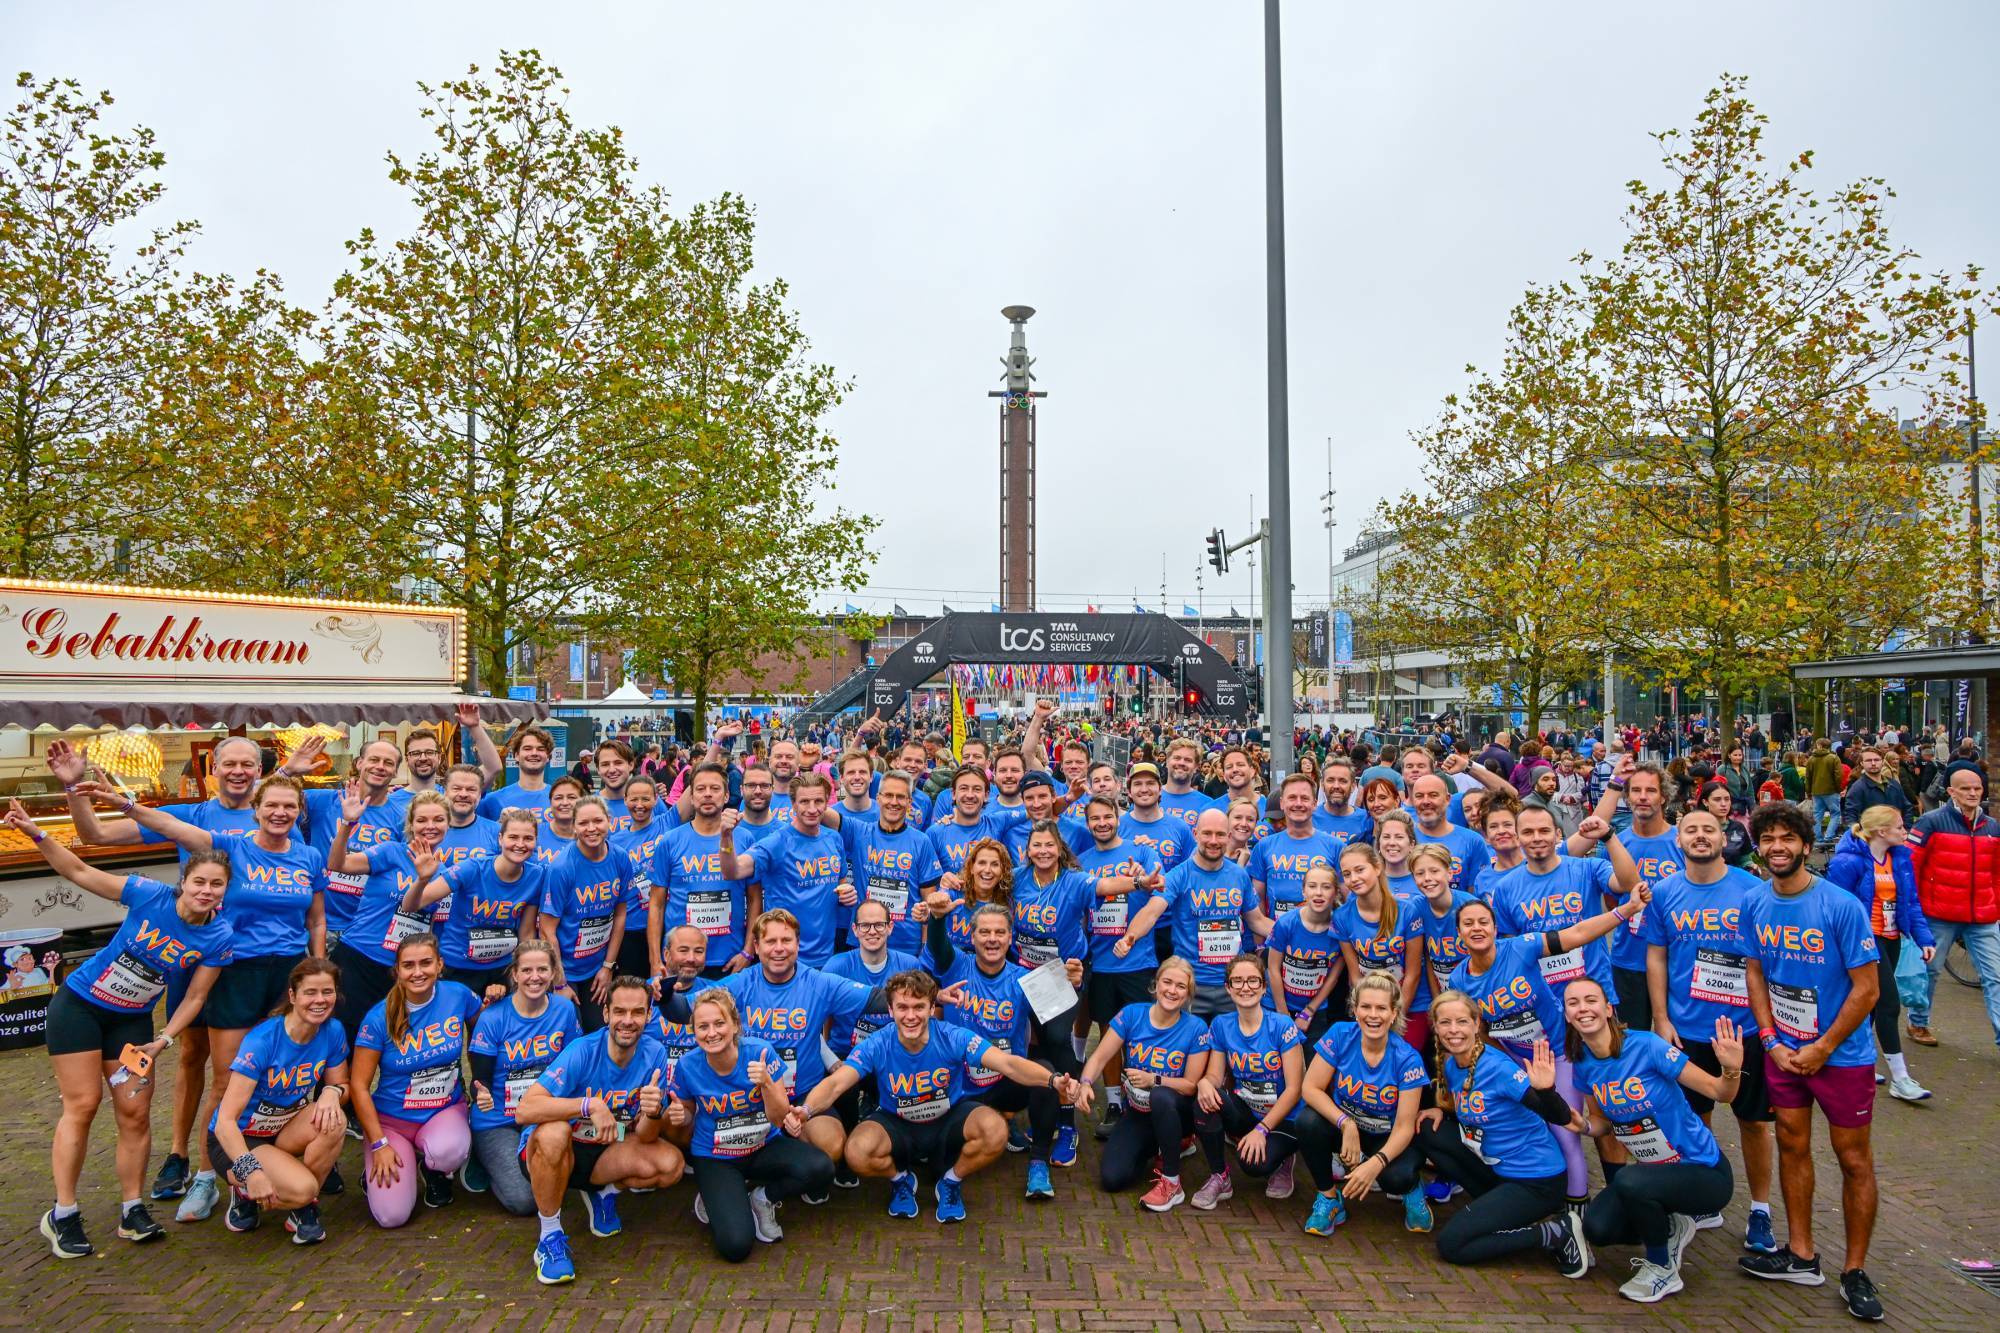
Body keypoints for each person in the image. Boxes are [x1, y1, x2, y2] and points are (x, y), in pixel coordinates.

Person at [49, 734, 317, 1206]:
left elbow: (308, 896)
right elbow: (96, 837)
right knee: (193, 1055)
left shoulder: (283, 825)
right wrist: (75, 790)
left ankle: (251, 1156)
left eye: (248, 764)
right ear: (213, 769)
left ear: (260, 772)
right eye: (229, 763)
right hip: (196, 958)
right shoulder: (193, 816)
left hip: (259, 964)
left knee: (258, 1064)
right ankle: (181, 1155)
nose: (238, 771)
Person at [8, 802, 233, 1257]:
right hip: (80, 1008)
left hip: (131, 1022)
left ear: (225, 891)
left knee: (134, 1112)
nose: (206, 891)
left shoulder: (219, 936)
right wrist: (38, 834)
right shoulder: (148, 894)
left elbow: (195, 997)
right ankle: (63, 1213)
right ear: (184, 882)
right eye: (199, 882)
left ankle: (132, 1209)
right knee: (83, 1104)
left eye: (216, 885)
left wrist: (165, 1037)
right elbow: (79, 871)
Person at [1738, 803, 1886, 1321]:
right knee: (1791, 1144)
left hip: (1841, 1057)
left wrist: (1823, 1047)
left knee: (1853, 1158)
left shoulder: (1840, 906)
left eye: (1787, 838)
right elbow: (1755, 972)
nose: (1777, 847)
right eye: (1768, 839)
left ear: (1806, 845)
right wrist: (1770, 1039)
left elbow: (1867, 990)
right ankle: (1801, 1255)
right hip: (1784, 1052)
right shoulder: (1755, 902)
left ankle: (1855, 1270)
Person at [790, 969, 1074, 1224]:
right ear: (890, 1010)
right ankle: (900, 1180)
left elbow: (1008, 1064)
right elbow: (837, 1083)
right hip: (897, 1123)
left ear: (931, 1008)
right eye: (902, 1007)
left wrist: (1052, 1081)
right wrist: (807, 1110)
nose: (910, 1016)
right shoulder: (877, 1043)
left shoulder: (953, 1036)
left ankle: (950, 1182)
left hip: (947, 1120)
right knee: (856, 1151)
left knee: (995, 1130)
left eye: (918, 1007)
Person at [1447, 885, 1651, 1208]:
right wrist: (1505, 1064)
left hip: (1559, 1055)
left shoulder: (1521, 948)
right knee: (1533, 1130)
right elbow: (1479, 1030)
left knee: (1565, 1130)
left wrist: (1625, 910)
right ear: (1459, 934)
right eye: (1468, 924)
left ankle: (1577, 1209)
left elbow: (1577, 933)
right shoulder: (1459, 979)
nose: (1477, 929)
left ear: (1495, 928)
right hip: (1518, 1061)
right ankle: (1538, 1198)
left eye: (1483, 922)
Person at [1638, 804, 1777, 1252]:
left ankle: (1760, 1210)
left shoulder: (1752, 890)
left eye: (1709, 830)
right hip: (1687, 1029)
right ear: (1678, 840)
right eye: (1691, 830)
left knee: (1753, 1123)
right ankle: (1706, 1197)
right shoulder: (1664, 892)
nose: (1700, 836)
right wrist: (1661, 1018)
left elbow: (1767, 960)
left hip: (1744, 1030)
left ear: (1724, 838)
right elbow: (1656, 956)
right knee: (1696, 1120)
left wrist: (1769, 1023)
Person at [1566, 978, 1740, 1304]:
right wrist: (1584, 1126)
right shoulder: (1584, 1063)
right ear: (1566, 1015)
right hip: (1655, 1176)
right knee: (1598, 1228)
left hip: (1704, 1172)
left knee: (1629, 1179)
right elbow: (1603, 1123)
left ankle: (1662, 1268)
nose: (1583, 1008)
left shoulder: (1647, 1046)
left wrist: (1731, 1070)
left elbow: (1719, 1092)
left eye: (1590, 1000)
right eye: (1573, 1003)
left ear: (1608, 1009)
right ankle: (1671, 1225)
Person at [515, 975, 685, 1284]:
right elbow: (525, 1109)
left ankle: (602, 1192)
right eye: (619, 1011)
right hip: (555, 1151)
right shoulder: (582, 1050)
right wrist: (588, 1105)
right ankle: (549, 1238)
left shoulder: (656, 1053)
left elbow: (645, 1136)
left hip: (606, 1146)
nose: (628, 1020)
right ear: (606, 1014)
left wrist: (653, 1112)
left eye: (637, 1012)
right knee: (554, 1133)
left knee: (670, 1164)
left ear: (649, 1015)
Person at [1416, 992, 1590, 1278]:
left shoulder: (1499, 1069)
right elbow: (1470, 1108)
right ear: (1435, 1027)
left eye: (1462, 1021)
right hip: (1497, 1170)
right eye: (1445, 1022)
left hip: (1536, 1182)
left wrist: (1546, 1090)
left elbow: (1558, 1116)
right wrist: (1441, 1111)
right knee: (1426, 1130)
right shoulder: (1451, 1065)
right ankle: (1497, 1209)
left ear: (1476, 1024)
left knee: (1452, 1244)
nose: (1453, 1030)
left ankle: (1555, 1232)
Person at [924, 900, 1070, 1196]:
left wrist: (1072, 985)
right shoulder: (957, 965)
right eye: (985, 932)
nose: (992, 939)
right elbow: (938, 945)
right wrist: (937, 919)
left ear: (1010, 937)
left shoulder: (1024, 978)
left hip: (1006, 1081)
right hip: (958, 1085)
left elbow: (1059, 1028)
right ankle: (983, 1126)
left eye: (1000, 932)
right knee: (935, 1167)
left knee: (1046, 1075)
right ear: (972, 936)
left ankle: (1038, 1163)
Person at [665, 987, 819, 1262]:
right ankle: (716, 1197)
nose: (712, 1033)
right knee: (735, 1247)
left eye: (719, 1023)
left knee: (820, 1168)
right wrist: (681, 1115)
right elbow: (686, 1113)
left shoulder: (760, 1053)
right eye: (703, 1027)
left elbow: (779, 1118)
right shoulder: (687, 1065)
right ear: (694, 1031)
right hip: (716, 1156)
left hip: (763, 1146)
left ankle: (762, 1198)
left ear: (735, 1025)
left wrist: (766, 1083)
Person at [204, 958, 349, 1246]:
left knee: (335, 1121)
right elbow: (225, 1122)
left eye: (327, 992)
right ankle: (250, 1190)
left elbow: (342, 1084)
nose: (320, 1000)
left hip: (282, 1128)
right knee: (303, 1188)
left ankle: (301, 1208)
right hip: (239, 1140)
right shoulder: (262, 1041)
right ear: (293, 996)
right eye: (310, 992)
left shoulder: (332, 1030)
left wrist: (332, 1092)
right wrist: (251, 1171)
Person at [1294, 971, 1430, 1236]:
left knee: (1397, 1179)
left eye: (1381, 1008)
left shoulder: (1407, 1058)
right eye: (1366, 1007)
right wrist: (1346, 1123)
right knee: (1307, 1122)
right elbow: (1310, 1089)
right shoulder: (1340, 1034)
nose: (1373, 1015)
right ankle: (1329, 1199)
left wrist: (1376, 1163)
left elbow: (1404, 1127)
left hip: (1387, 1135)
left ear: (1394, 1014)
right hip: (1347, 1129)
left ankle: (1413, 1190)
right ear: (1355, 1010)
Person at [1075, 956, 1214, 1212]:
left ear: (1188, 993)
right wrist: (1085, 1083)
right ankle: (1159, 1145)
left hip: (1177, 1111)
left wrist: (1154, 1080)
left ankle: (1172, 1181)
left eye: (1181, 986)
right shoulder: (1132, 1014)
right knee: (1113, 1178)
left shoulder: (1196, 1028)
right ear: (1155, 984)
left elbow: (1190, 1086)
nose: (1172, 990)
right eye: (1167, 982)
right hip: (1139, 1114)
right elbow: (1100, 1057)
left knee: (1160, 1095)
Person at [1822, 805, 1936, 1101]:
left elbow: (1911, 902)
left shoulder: (1900, 858)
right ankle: (1901, 1078)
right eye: (1899, 827)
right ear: (1882, 831)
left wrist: (1924, 938)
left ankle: (1859, 1063)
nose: (1905, 831)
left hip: (1892, 937)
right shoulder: (1848, 862)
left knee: (1869, 1005)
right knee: (1888, 1003)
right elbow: (1833, 906)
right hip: (1865, 942)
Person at [464, 941, 582, 1214]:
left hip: (545, 1114)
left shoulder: (564, 1010)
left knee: (563, 1178)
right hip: (499, 1121)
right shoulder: (493, 1017)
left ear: (553, 973)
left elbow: (574, 1068)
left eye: (542, 969)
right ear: (515, 974)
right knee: (524, 1201)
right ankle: (481, 1157)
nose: (535, 977)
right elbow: (479, 1080)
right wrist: (480, 1093)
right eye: (527, 970)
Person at [327, 784, 448, 1040]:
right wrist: (348, 824)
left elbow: (433, 925)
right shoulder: (391, 851)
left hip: (404, 971)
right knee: (344, 1039)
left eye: (439, 819)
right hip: (359, 958)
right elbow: (337, 864)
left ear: (448, 824)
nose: (430, 826)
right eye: (422, 820)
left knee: (391, 1042)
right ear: (410, 824)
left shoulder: (446, 873)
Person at [1190, 955, 1306, 1208]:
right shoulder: (1221, 1025)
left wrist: (1262, 1130)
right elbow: (1214, 1075)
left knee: (1254, 1166)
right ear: (1228, 988)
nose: (1245, 987)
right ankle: (1219, 1176)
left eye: (1253, 980)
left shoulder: (1282, 1025)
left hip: (1285, 1117)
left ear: (1264, 987)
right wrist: (1204, 1083)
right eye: (1238, 981)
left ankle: (1284, 1159)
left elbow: (1295, 1089)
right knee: (1205, 1100)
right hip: (1248, 1110)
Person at [823, 899, 922, 1186]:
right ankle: (846, 1154)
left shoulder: (909, 965)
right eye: (865, 925)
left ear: (890, 927)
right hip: (847, 1054)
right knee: (843, 1087)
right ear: (854, 930)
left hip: (894, 1055)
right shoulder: (837, 965)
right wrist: (831, 1061)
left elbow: (922, 1016)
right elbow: (816, 1019)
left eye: (879, 924)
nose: (872, 931)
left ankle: (898, 1149)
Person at [1904, 767, 2000, 1051]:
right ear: (1951, 792)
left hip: (1982, 916)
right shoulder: (1931, 822)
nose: (1973, 793)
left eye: (1977, 788)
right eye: (1966, 788)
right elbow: (1910, 866)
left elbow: (1996, 872)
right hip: (1939, 914)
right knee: (1930, 971)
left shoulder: (1992, 827)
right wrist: (1913, 909)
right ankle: (1918, 1022)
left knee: (1995, 976)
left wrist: (1996, 904)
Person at [406, 806, 544, 993]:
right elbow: (411, 905)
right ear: (500, 839)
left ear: (536, 841)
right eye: (513, 837)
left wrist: (523, 972)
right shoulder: (472, 868)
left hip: (501, 968)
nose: (520, 844)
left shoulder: (536, 876)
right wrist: (422, 880)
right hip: (458, 965)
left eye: (528, 838)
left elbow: (526, 933)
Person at [1160, 809, 1271, 1018]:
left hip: (1232, 983)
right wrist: (1130, 937)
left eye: (1220, 834)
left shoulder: (1238, 875)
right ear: (1195, 834)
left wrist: (1295, 931)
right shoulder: (1180, 874)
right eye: (1207, 833)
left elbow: (1256, 921)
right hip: (1192, 983)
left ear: (1228, 837)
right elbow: (1152, 910)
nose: (1213, 840)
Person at [538, 795, 635, 1031]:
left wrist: (608, 966)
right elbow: (547, 930)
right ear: (573, 826)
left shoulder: (620, 858)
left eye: (598, 821)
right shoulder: (562, 867)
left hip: (597, 969)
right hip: (565, 970)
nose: (591, 829)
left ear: (609, 821)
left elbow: (620, 915)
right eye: (583, 823)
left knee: (601, 1033)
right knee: (569, 1037)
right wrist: (560, 983)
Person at [650, 764, 754, 983]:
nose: (707, 794)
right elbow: (656, 904)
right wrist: (654, 960)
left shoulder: (744, 838)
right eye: (700, 789)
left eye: (715, 789)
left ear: (726, 795)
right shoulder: (670, 841)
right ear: (691, 796)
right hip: (681, 961)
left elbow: (754, 899)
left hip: (730, 960)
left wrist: (748, 951)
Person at [1331, 844, 1426, 1047]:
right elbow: (1355, 975)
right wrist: (1370, 1014)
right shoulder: (1342, 917)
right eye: (1347, 874)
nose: (1354, 879)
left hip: (1409, 1004)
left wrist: (1394, 1016)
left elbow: (1413, 973)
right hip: (1370, 1008)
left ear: (1377, 867)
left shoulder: (1407, 911)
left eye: (1360, 870)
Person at [1265, 864, 1342, 1046]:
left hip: (1315, 1010)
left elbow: (1333, 977)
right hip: (1276, 1005)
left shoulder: (1340, 928)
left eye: (1326, 887)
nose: (1318, 893)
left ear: (1336, 893)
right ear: (1303, 891)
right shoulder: (1286, 924)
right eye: (1312, 886)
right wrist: (1283, 1014)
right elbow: (1273, 969)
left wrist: (1309, 1011)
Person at [1249, 773, 1344, 915]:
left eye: (1305, 798)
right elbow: (1258, 906)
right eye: (1292, 797)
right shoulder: (1263, 847)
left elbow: (1347, 901)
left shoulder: (1336, 847)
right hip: (1276, 928)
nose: (1298, 803)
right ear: (1282, 803)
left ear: (1314, 804)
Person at [479, 726, 559, 819]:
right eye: (527, 748)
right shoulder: (493, 800)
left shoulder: (562, 799)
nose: (534, 753)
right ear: (516, 755)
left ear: (548, 757)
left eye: (540, 749)